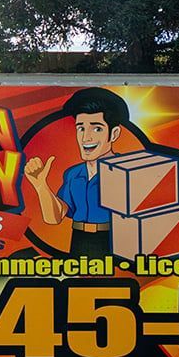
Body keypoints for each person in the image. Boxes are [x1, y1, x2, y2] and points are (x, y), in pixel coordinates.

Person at [23, 87, 130, 258]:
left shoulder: (128, 172)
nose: (86, 137)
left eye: (97, 129)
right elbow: (54, 218)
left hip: (112, 241)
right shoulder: (74, 174)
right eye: (81, 128)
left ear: (114, 133)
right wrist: (40, 185)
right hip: (79, 239)